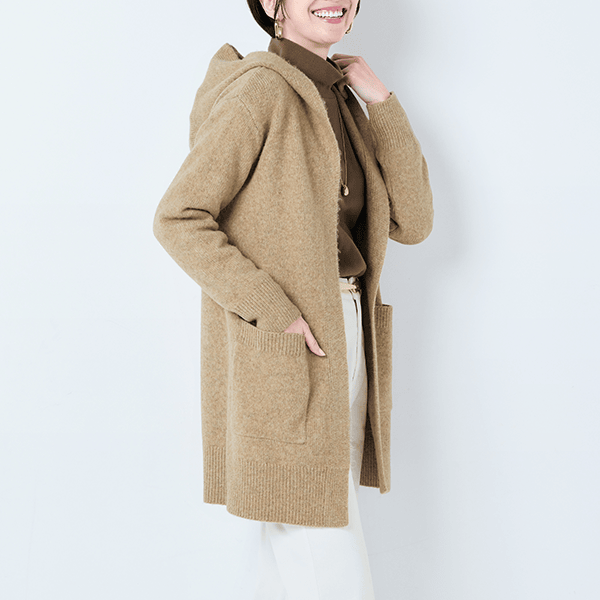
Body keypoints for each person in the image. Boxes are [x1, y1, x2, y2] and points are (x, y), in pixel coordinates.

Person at [153, 0, 433, 597]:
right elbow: (179, 217)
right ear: (272, 5)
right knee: (320, 546)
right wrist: (273, 310)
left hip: (347, 327)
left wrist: (381, 101)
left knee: (304, 543)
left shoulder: (342, 101)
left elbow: (414, 221)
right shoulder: (261, 91)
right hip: (291, 343)